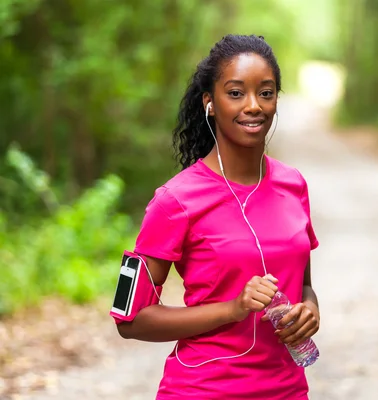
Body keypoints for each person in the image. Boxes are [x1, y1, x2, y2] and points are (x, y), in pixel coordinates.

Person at [114, 34, 321, 399]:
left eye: (266, 92)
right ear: (210, 103)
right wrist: (232, 309)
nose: (254, 105)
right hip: (203, 389)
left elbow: (302, 284)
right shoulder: (174, 200)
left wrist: (310, 311)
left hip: (287, 390)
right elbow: (131, 321)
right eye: (236, 92)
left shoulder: (294, 185)